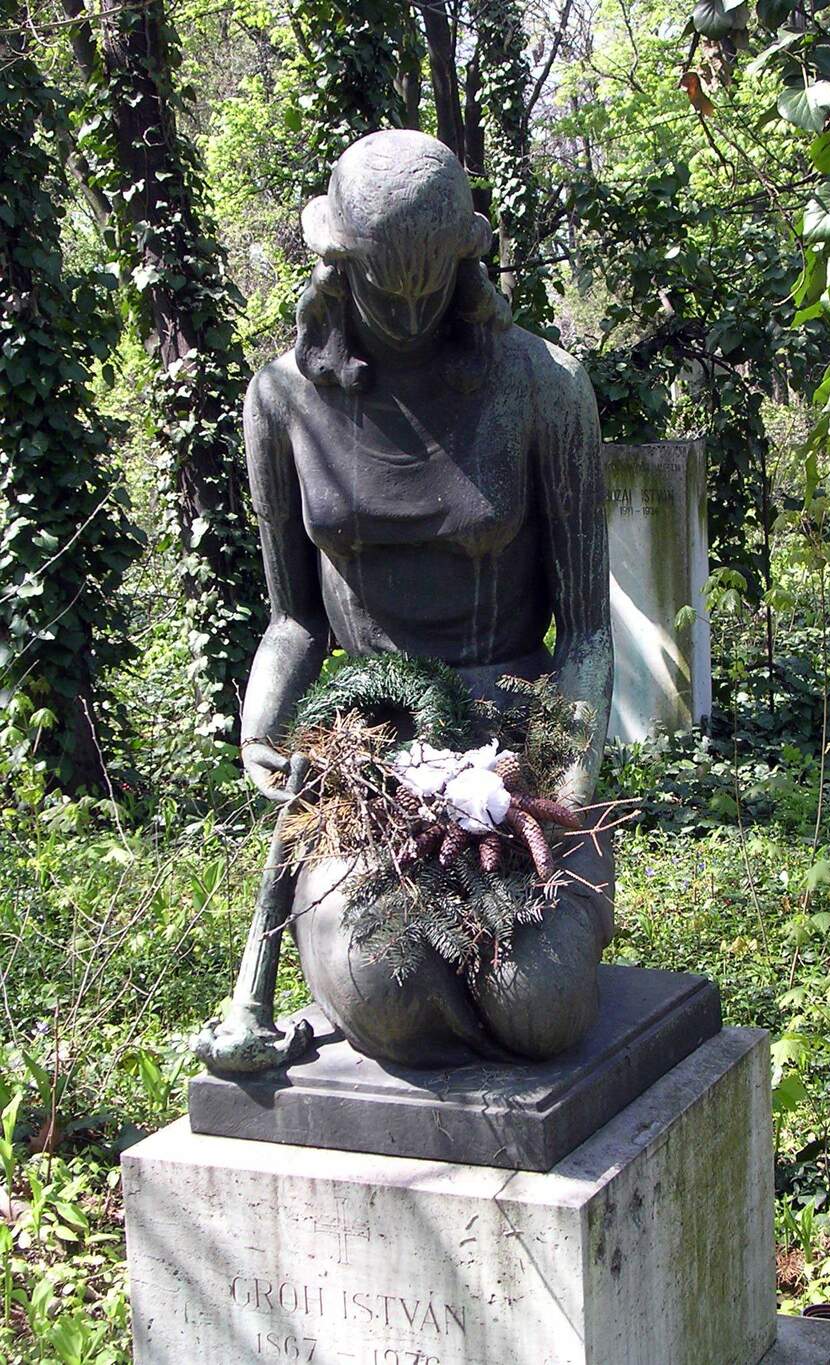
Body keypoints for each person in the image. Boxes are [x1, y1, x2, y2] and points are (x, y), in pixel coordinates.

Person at [237, 130, 614, 1067]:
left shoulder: (544, 386)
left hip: (515, 738)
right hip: (366, 748)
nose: (408, 314)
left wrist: (563, 779)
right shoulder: (281, 401)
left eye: (430, 284)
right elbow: (294, 619)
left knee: (542, 1006)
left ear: (464, 260)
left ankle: (502, 989)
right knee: (388, 988)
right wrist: (263, 726)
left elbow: (587, 633)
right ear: (338, 266)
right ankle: (379, 991)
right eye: (382, 288)